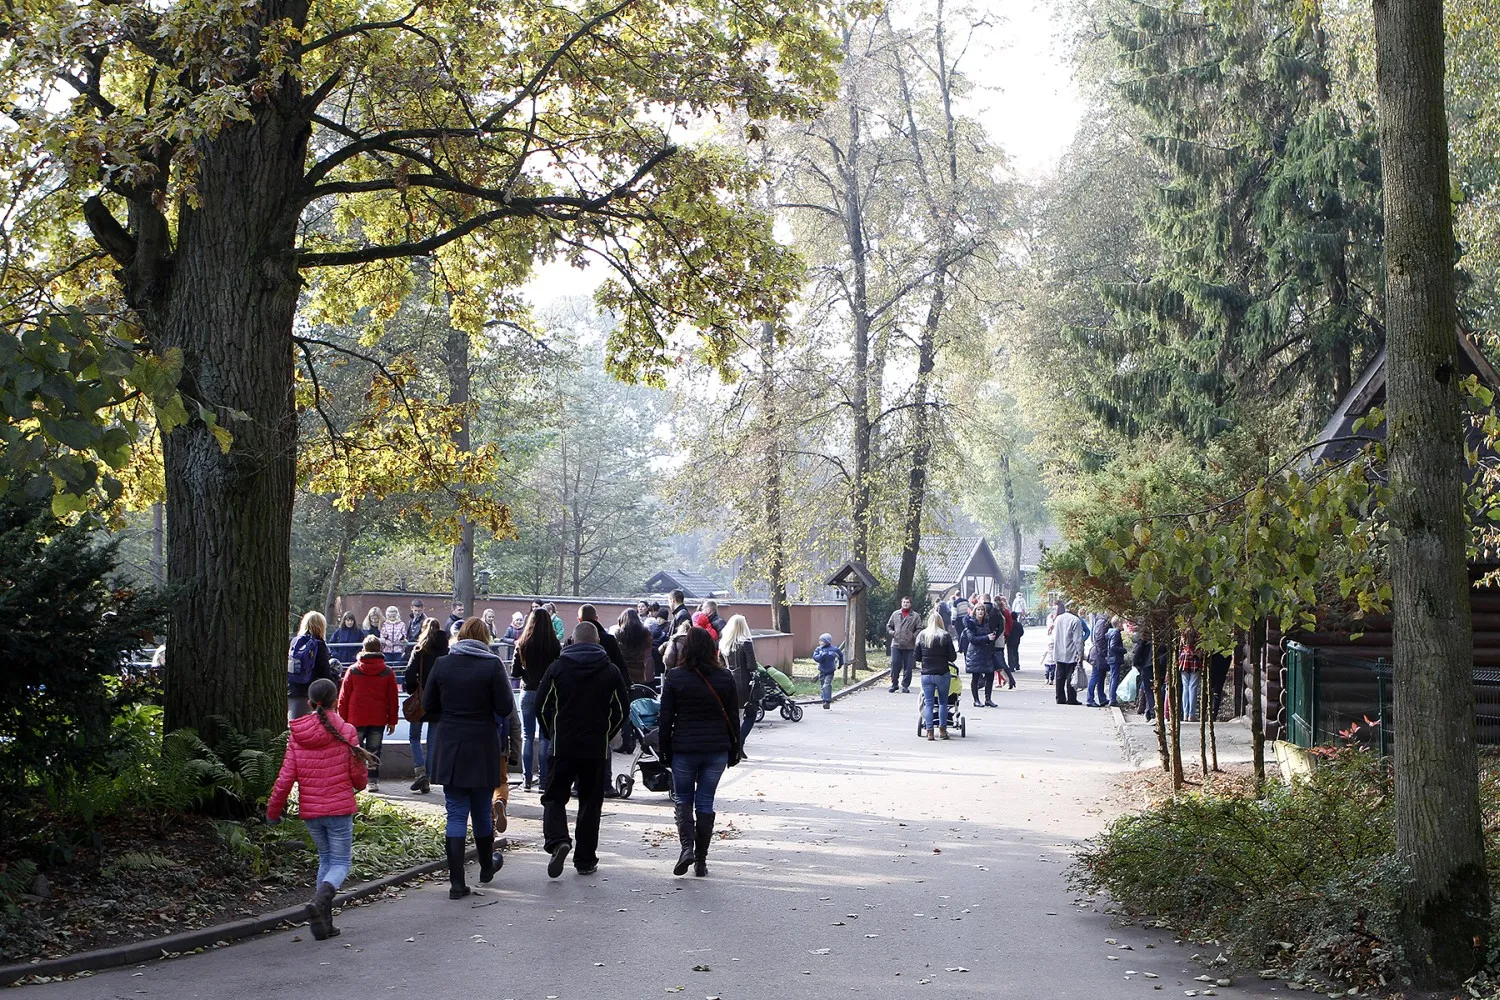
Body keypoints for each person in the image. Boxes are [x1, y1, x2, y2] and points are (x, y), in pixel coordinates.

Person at [266, 677, 369, 940]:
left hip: (311, 811)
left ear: (309, 702)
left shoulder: (298, 734)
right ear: (336, 700)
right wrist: (359, 781)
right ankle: (319, 903)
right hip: (339, 808)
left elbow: (285, 777)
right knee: (341, 863)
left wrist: (273, 812)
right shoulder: (346, 730)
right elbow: (358, 777)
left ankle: (323, 924)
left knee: (325, 859)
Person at [424, 617, 514, 899]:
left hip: (450, 744)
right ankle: (487, 867)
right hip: (483, 744)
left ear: (460, 636)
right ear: (485, 638)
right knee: (480, 809)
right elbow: (505, 707)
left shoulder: (443, 664)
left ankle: (457, 883)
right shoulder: (492, 665)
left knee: (456, 811)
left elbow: (429, 705)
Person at [536, 622, 630, 878]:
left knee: (554, 797)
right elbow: (622, 710)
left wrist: (551, 734)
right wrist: (606, 735)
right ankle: (585, 860)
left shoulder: (557, 668)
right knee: (590, 803)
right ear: (598, 642)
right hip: (594, 749)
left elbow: (541, 706)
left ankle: (558, 840)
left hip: (562, 746)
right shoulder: (610, 671)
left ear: (572, 641)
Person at [659, 627, 740, 877]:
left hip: (684, 748)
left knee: (683, 798)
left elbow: (666, 718)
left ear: (687, 649)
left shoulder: (674, 677)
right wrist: (736, 749)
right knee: (705, 801)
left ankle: (686, 849)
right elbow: (734, 717)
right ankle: (701, 860)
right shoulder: (725, 677)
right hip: (716, 749)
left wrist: (664, 750)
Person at [336, 635, 399, 792]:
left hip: (355, 718)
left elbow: (343, 698)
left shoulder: (353, 670)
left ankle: (355, 780)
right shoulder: (387, 672)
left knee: (355, 750)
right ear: (380, 650)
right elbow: (393, 698)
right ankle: (372, 780)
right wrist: (392, 720)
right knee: (374, 749)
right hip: (378, 718)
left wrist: (341, 721)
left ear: (363, 649)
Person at [514, 608, 562, 793]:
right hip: (548, 693)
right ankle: (543, 780)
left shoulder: (522, 644)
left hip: (527, 691)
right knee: (545, 736)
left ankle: (526, 779)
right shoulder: (554, 645)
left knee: (527, 735)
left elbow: (515, 673)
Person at [403, 619, 448, 794]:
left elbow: (408, 673)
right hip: (439, 700)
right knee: (433, 741)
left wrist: (413, 689)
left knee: (414, 736)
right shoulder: (446, 652)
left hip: (421, 700)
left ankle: (419, 771)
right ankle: (427, 778)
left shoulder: (420, 650)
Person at [288, 611, 338, 720]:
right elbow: (324, 671)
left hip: (292, 690)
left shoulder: (294, 642)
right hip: (311, 693)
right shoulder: (319, 644)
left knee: (294, 725)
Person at [916, 610, 957, 740]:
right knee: (943, 702)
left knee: (928, 703)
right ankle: (943, 730)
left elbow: (917, 656)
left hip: (926, 674)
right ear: (941, 622)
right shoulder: (945, 636)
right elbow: (952, 657)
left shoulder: (922, 636)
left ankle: (929, 731)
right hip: (942, 673)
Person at [720, 615, 758, 747]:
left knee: (733, 715)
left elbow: (720, 664)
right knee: (751, 714)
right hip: (743, 682)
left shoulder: (724, 643)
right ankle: (739, 742)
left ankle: (731, 742)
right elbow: (752, 665)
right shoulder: (745, 643)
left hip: (727, 681)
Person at [961, 605, 998, 709]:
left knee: (990, 675)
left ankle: (988, 699)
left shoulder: (986, 622)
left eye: (982, 610)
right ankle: (976, 700)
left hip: (986, 653)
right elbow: (972, 639)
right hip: (975, 653)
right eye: (978, 610)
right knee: (976, 677)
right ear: (975, 612)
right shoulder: (970, 624)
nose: (980, 612)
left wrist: (991, 637)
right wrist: (987, 637)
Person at [579, 604, 628, 683]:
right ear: (596, 618)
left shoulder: (571, 641)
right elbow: (620, 665)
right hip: (605, 686)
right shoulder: (609, 639)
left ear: (579, 620)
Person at [1052, 601, 1087, 706]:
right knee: (1071, 676)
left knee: (1059, 676)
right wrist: (1080, 653)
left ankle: (1060, 698)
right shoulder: (1076, 621)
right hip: (1071, 652)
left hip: (1059, 651)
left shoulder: (1058, 619)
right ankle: (1071, 698)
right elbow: (1078, 639)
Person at [886, 596, 919, 694]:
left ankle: (905, 685)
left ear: (910, 604)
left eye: (907, 602)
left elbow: (919, 628)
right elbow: (889, 625)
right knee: (895, 664)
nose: (905, 604)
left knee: (908, 667)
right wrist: (892, 633)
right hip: (896, 644)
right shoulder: (895, 614)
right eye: (904, 602)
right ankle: (894, 683)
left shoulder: (915, 616)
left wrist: (913, 636)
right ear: (901, 603)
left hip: (909, 645)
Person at [616, 608, 655, 684]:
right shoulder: (645, 633)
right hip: (640, 669)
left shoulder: (619, 634)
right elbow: (648, 648)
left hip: (623, 670)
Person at [811, 633, 843, 709]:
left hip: (830, 670)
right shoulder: (819, 649)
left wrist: (840, 664)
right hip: (822, 670)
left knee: (827, 685)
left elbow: (840, 655)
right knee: (822, 685)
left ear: (827, 641)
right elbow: (815, 658)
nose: (820, 642)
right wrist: (822, 655)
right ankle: (824, 698)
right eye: (820, 641)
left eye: (822, 641)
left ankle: (827, 701)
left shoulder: (834, 649)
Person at [1086, 613, 1111, 708]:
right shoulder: (1102, 622)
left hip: (1098, 653)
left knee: (1101, 676)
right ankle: (1090, 699)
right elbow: (1100, 638)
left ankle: (1102, 698)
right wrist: (1104, 652)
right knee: (1096, 676)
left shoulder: (1101, 621)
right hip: (1098, 654)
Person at [1179, 632, 1203, 722]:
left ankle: (1185, 714)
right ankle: (1191, 715)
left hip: (1184, 658)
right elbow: (1201, 648)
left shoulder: (1183, 633)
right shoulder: (1198, 633)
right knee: (1193, 687)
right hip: (1195, 659)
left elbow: (1180, 647)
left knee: (1186, 688)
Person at [1000, 597, 1023, 688]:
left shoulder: (1010, 624)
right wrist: (1018, 636)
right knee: (1016, 652)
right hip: (1016, 640)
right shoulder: (1018, 624)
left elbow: (1007, 630)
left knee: (1010, 652)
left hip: (1009, 640)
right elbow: (1022, 632)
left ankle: (1011, 666)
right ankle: (1017, 664)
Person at [1106, 617, 1127, 706]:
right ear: (1118, 624)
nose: (1123, 625)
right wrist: (1123, 650)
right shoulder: (1116, 633)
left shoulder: (1112, 632)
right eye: (1122, 623)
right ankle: (1113, 699)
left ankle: (1112, 697)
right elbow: (1113, 646)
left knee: (1113, 678)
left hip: (1112, 658)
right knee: (1114, 678)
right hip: (1115, 659)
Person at [1042, 610, 1057, 683]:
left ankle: (1051, 680)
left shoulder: (1055, 649)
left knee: (1053, 672)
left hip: (1053, 662)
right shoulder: (1047, 649)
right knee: (1047, 671)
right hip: (1047, 662)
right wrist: (1041, 661)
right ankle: (1047, 678)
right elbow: (1043, 654)